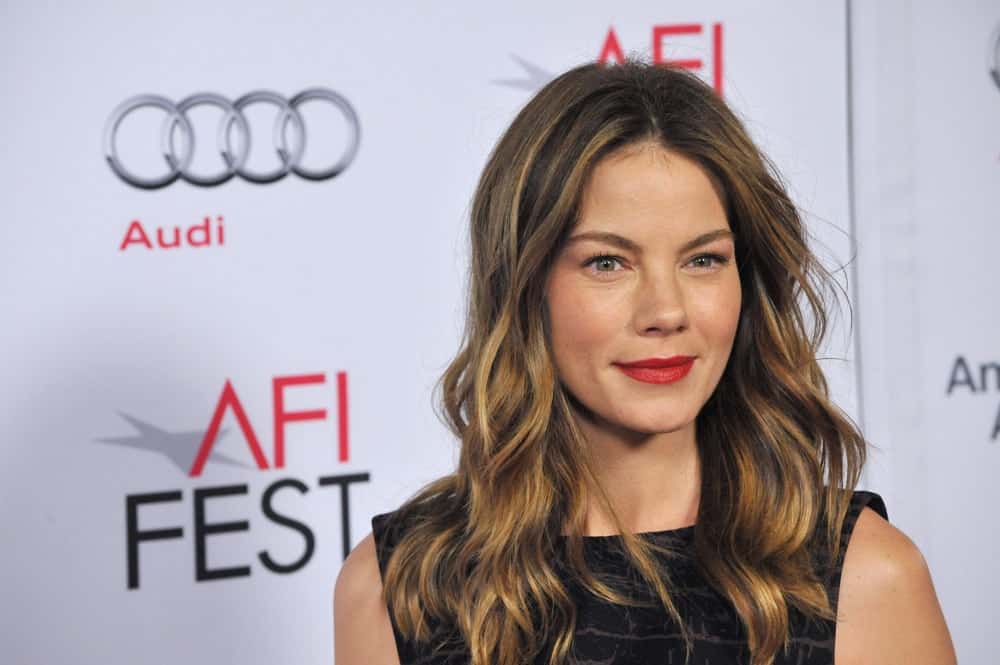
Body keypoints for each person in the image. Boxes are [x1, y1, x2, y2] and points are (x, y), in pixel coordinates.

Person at [333, 60, 956, 665]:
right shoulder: (402, 588)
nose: (666, 311)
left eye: (703, 260)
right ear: (526, 287)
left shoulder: (867, 581)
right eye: (608, 262)